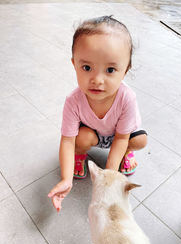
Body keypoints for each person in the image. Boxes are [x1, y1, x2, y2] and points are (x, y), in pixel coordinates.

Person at [48, 15, 147, 212]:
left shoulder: (127, 98)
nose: (97, 80)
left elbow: (121, 137)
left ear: (125, 71)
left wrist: (107, 179)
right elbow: (67, 140)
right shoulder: (73, 101)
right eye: (87, 68)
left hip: (118, 136)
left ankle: (126, 155)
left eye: (110, 69)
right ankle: (80, 156)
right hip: (92, 134)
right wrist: (66, 178)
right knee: (80, 139)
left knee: (140, 140)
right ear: (74, 64)